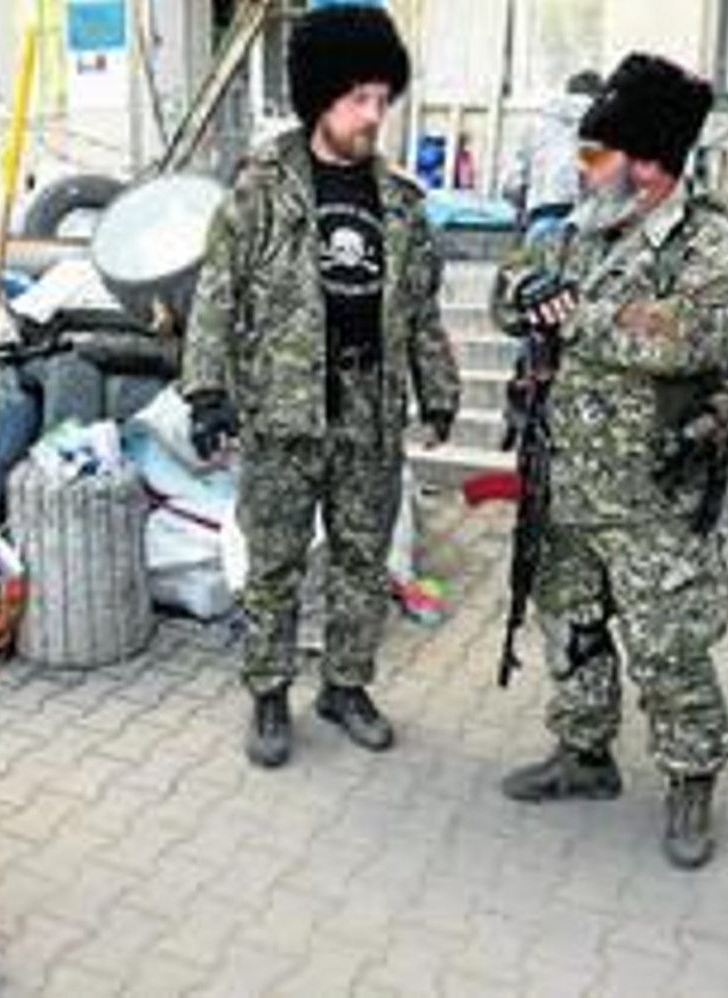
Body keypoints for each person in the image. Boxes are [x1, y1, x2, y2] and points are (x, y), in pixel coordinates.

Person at [491, 52, 728, 870]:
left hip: (652, 491)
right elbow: (513, 287)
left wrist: (580, 320)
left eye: (607, 152)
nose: (594, 166)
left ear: (652, 157)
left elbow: (702, 334)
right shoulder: (579, 226)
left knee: (668, 643)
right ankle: (584, 756)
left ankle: (690, 782)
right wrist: (526, 299)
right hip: (565, 479)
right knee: (569, 624)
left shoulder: (711, 241)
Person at [181, 3, 461, 769]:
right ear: (319, 97)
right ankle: (269, 695)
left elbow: (420, 308)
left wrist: (438, 388)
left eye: (381, 98)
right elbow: (217, 291)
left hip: (369, 414)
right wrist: (206, 391)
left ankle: (345, 686)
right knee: (274, 561)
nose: (373, 115)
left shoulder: (400, 202)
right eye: (357, 100)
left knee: (362, 560)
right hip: (282, 411)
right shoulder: (264, 185)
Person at [501, 69, 605, 246]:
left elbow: (513, 183)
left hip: (543, 214)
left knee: (532, 267)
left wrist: (522, 203)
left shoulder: (535, 125)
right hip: (587, 221)